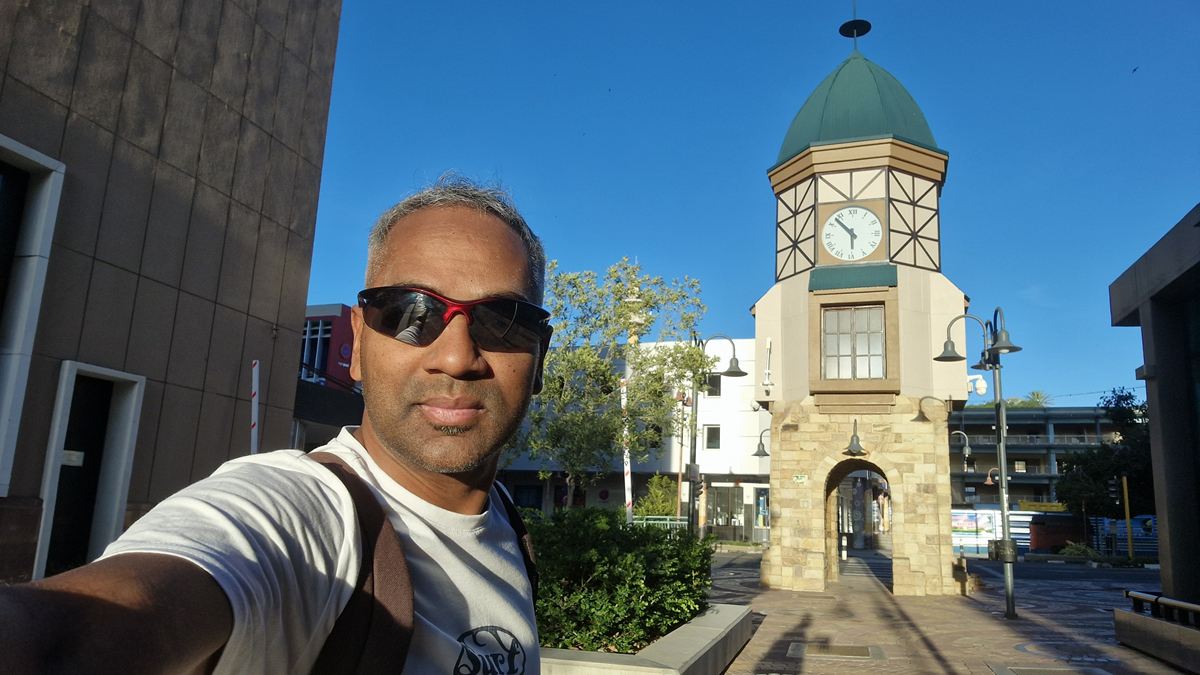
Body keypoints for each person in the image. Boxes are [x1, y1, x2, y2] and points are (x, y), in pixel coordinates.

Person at [0, 177, 553, 674]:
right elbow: (68, 638)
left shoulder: (503, 517)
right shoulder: (299, 514)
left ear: (540, 359)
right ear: (359, 343)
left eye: (503, 321)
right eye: (410, 313)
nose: (456, 357)